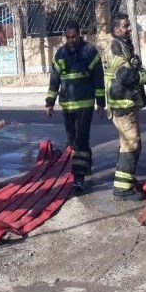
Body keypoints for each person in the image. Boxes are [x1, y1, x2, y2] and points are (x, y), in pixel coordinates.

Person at [102, 13, 146, 201]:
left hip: (127, 104)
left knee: (129, 144)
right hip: (122, 106)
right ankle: (123, 190)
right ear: (116, 29)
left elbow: (134, 70)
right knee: (131, 145)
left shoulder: (123, 46)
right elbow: (125, 76)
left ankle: (126, 183)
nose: (129, 28)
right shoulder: (115, 47)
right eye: (126, 26)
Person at [45, 20, 105, 192]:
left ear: (80, 34)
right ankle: (86, 164)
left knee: (81, 140)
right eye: (68, 37)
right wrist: (49, 103)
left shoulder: (89, 51)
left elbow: (98, 79)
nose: (71, 40)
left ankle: (79, 177)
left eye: (74, 36)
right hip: (67, 106)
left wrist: (101, 103)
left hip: (85, 105)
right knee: (72, 141)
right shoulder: (60, 54)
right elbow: (54, 80)